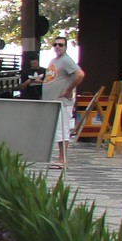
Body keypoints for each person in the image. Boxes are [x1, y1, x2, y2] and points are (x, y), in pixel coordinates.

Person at [39, 36, 85, 170]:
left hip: (62, 102)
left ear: (65, 47)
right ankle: (59, 158)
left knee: (62, 130)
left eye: (61, 45)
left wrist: (68, 89)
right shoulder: (55, 60)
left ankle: (62, 159)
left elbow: (80, 74)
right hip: (52, 101)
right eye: (56, 44)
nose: (58, 47)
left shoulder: (66, 60)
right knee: (56, 130)